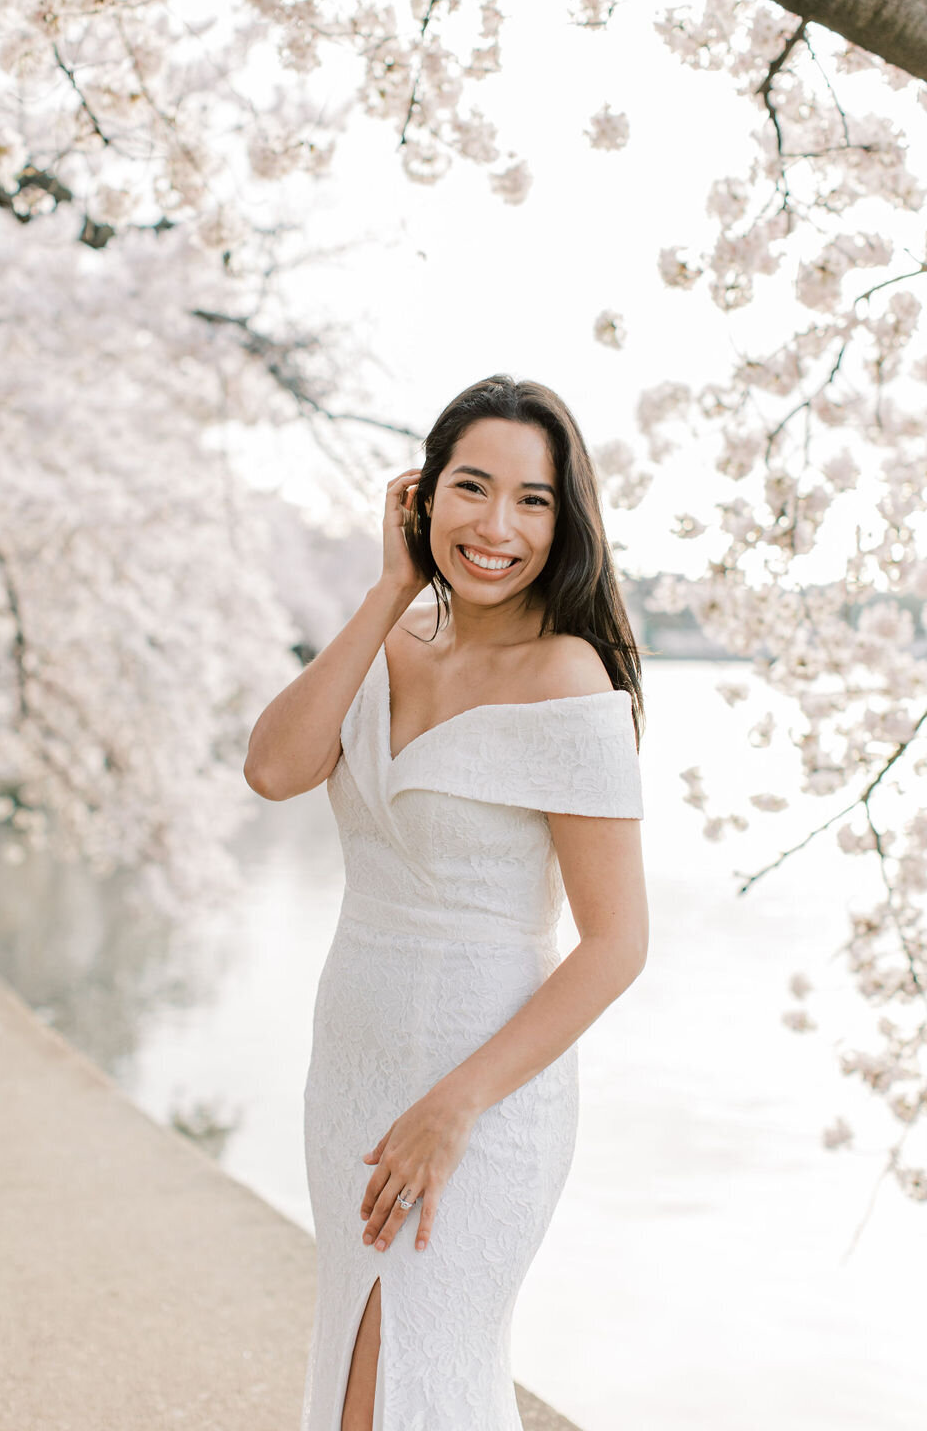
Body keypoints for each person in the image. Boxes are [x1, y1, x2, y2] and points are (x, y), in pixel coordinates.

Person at [244, 373, 649, 1431]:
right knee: (354, 1374)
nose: (497, 526)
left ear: (564, 523)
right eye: (472, 488)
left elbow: (615, 945)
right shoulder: (389, 643)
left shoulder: (568, 677)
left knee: (416, 1378)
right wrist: (386, 590)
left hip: (483, 1088)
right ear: (421, 496)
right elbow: (275, 769)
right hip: (354, 1064)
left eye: (532, 500)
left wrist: (454, 1105)